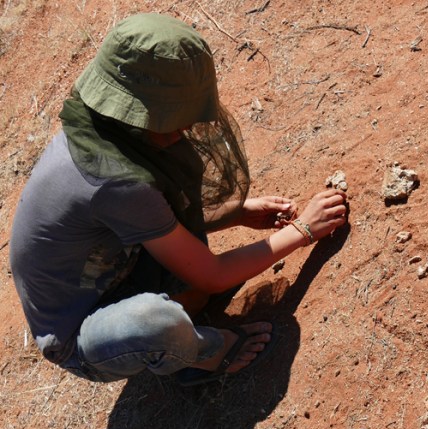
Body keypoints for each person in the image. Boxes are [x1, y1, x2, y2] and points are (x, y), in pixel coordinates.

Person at [9, 13, 347, 385]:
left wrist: (238, 213)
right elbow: (212, 274)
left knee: (189, 289)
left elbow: (150, 213)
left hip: (110, 269)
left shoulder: (105, 129)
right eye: (175, 116)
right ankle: (205, 354)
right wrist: (303, 231)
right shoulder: (114, 179)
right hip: (83, 335)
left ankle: (178, 315)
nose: (186, 126)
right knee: (155, 322)